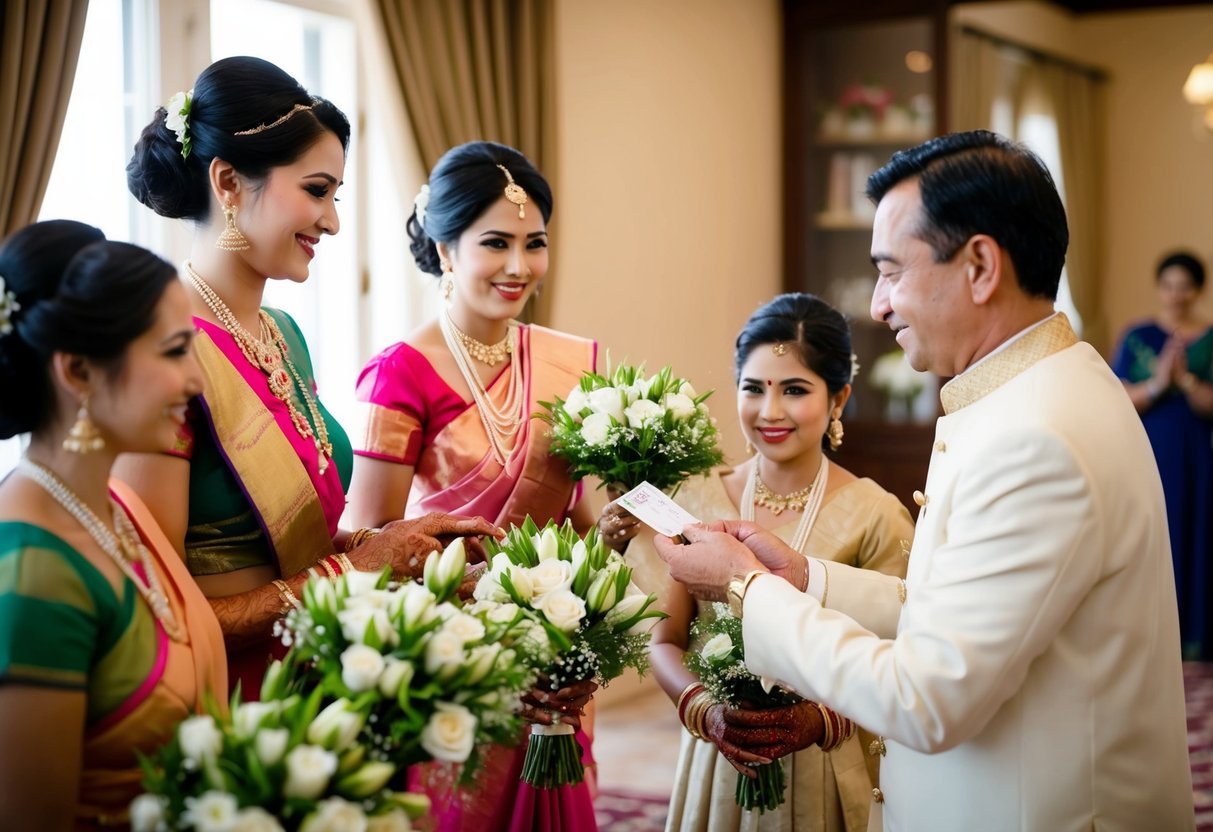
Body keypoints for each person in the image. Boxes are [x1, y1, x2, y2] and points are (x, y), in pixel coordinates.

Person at [654, 131, 1195, 831]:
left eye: (890, 271)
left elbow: (927, 698)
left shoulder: (1033, 436)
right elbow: (961, 606)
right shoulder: (1051, 384)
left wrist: (743, 587)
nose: (878, 306)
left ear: (977, 266)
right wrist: (806, 578)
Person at [122, 56, 496, 696]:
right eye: (317, 190)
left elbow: (297, 549)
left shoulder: (284, 335)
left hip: (318, 680)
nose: (332, 221)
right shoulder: (160, 350)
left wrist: (395, 548)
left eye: (336, 196)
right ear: (229, 183)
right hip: (225, 703)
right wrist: (354, 572)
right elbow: (157, 615)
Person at [346, 141, 598, 831]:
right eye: (495, 243)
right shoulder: (400, 371)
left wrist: (592, 608)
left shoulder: (568, 366)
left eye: (534, 243)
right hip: (446, 652)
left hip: (554, 644)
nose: (519, 267)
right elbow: (370, 543)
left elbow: (581, 520)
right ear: (445, 248)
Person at [602, 293, 912, 832]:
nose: (770, 411)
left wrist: (816, 720)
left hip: (828, 771)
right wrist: (708, 712)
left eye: (794, 389)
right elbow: (664, 639)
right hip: (717, 763)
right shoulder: (695, 497)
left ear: (839, 398)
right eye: (754, 387)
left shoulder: (876, 513)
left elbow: (900, 655)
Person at [0, 221, 227, 828]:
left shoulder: (118, 506)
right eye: (176, 351)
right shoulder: (32, 571)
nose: (196, 380)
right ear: (77, 371)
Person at [1112, 251, 1213, 659]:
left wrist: (1185, 379)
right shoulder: (1137, 335)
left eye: (1185, 286)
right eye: (1169, 285)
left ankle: (1196, 637)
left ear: (1197, 290)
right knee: (1152, 534)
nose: (1176, 295)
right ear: (1159, 288)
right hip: (1148, 451)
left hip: (1198, 458)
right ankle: (1150, 638)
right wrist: (1156, 383)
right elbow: (1116, 395)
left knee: (1197, 532)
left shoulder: (1209, 337)